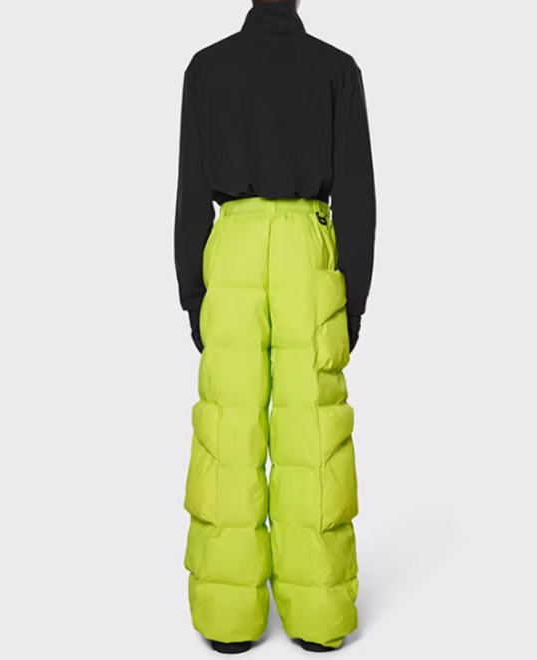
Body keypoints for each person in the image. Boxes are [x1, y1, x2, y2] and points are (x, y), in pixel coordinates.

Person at [173, 0, 376, 653]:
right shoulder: (336, 71)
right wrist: (353, 302)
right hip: (304, 253)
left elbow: (190, 194)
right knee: (312, 433)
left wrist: (193, 293)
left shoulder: (206, 70)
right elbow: (358, 196)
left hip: (231, 247)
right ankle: (319, 616)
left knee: (227, 431)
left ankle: (227, 618)